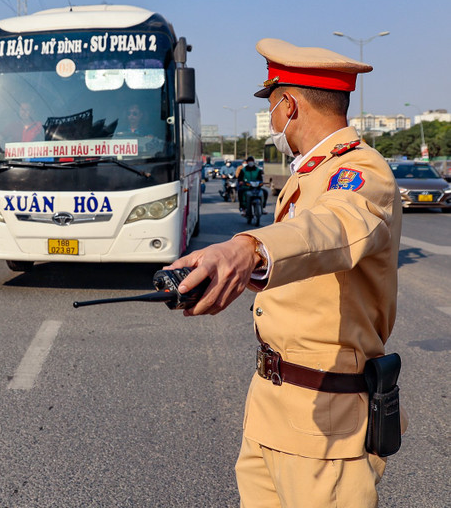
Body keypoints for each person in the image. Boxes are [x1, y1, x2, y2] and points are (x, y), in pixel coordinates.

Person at [166, 38, 403, 507]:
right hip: (273, 408)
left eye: (272, 106)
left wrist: (248, 247)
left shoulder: (361, 172)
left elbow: (334, 227)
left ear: (288, 106)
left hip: (325, 427)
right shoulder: (308, 173)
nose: (272, 121)